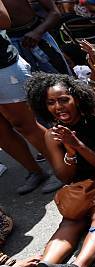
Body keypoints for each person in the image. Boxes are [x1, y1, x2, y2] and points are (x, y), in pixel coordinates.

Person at [0, 73, 95, 267]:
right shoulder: (52, 135)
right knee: (70, 223)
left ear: (77, 98)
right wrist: (70, 153)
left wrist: (77, 145)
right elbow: (65, 177)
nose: (58, 107)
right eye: (51, 103)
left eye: (63, 100)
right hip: (80, 191)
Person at [0, 0, 61, 195]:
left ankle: (61, 169)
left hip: (3, 66)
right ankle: (35, 171)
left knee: (24, 123)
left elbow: (4, 20)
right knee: (1, 131)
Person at [4, 0, 72, 75]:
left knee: (62, 80)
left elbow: (55, 12)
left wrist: (38, 32)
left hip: (38, 40)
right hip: (9, 47)